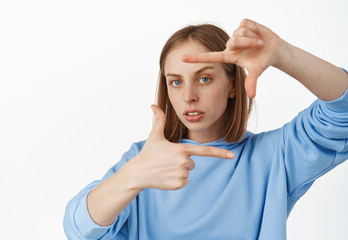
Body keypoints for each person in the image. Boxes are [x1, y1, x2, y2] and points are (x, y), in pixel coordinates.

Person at [63, 19, 348, 239]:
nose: (188, 96)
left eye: (204, 79)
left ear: (233, 85)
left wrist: (283, 54)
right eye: (176, 82)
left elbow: (342, 111)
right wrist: (133, 176)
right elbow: (78, 228)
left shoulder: (274, 158)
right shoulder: (147, 162)